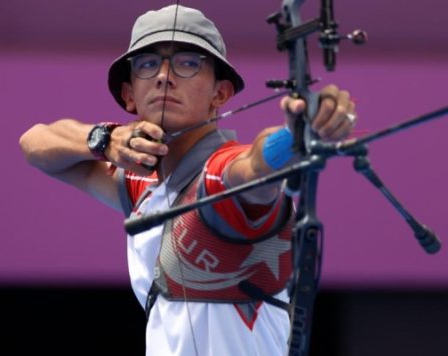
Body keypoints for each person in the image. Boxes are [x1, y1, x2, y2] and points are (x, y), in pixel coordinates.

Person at [18, 4, 357, 356]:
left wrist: (300, 130)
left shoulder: (221, 176)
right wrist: (104, 139)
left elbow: (254, 166)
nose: (165, 75)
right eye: (148, 64)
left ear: (220, 94)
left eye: (188, 62)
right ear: (129, 96)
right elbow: (35, 142)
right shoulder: (141, 182)